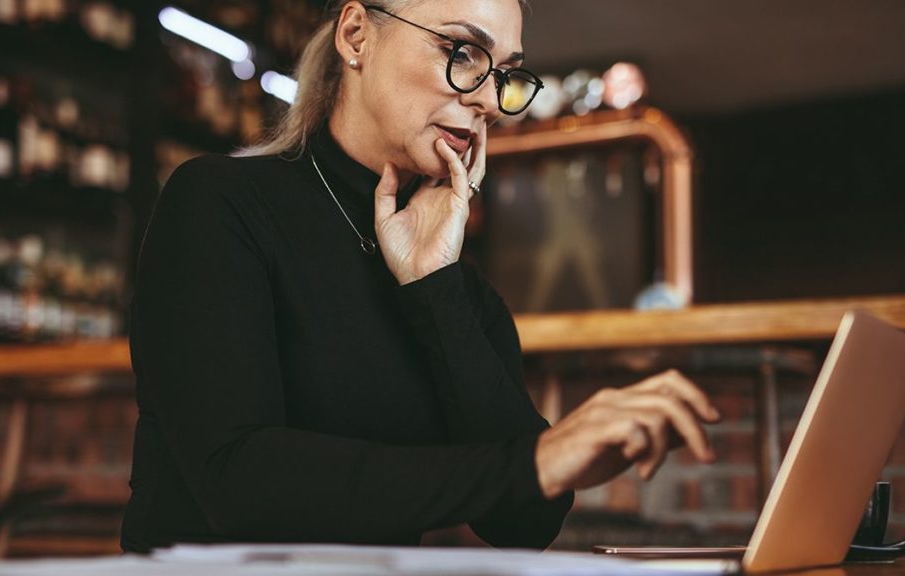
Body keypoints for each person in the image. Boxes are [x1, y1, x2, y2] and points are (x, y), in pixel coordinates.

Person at [121, 0, 720, 553]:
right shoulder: (218, 203)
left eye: (504, 73)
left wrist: (434, 287)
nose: (487, 101)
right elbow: (239, 481)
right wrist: (532, 461)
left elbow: (525, 523)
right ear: (356, 36)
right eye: (461, 53)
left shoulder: (458, 286)